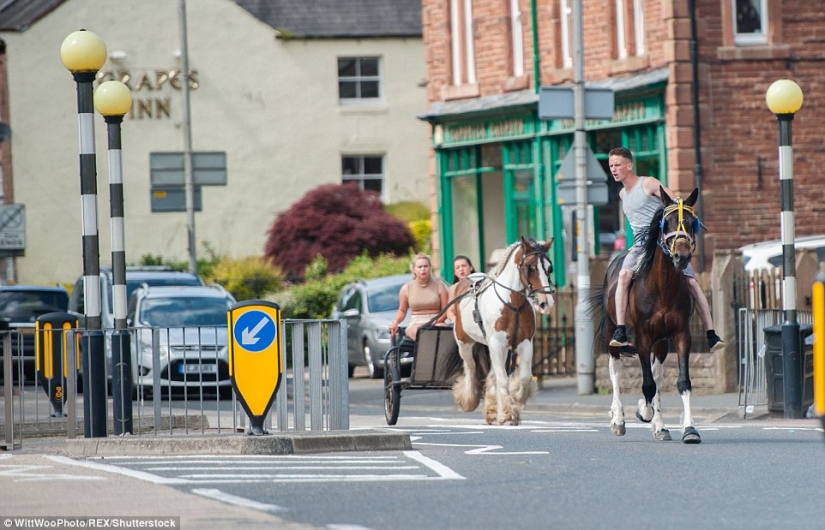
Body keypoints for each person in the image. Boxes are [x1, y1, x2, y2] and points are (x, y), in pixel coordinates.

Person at [606, 146, 725, 352]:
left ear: (629, 165)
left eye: (617, 165)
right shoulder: (623, 194)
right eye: (611, 166)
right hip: (641, 244)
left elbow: (674, 201)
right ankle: (621, 330)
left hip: (663, 242)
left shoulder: (648, 183)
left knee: (692, 283)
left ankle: (711, 334)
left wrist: (686, 213)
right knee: (624, 275)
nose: (613, 169)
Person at [388, 253, 449, 341]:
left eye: (425, 266)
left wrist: (437, 321)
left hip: (436, 321)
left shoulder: (440, 286)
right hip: (416, 322)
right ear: (414, 269)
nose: (423, 269)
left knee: (443, 332)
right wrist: (396, 322)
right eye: (419, 267)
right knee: (420, 332)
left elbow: (445, 310)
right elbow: (402, 310)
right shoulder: (406, 288)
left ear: (430, 268)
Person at [446, 255, 476, 324]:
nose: (461, 269)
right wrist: (456, 321)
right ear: (455, 273)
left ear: (471, 268)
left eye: (464, 266)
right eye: (457, 267)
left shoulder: (479, 283)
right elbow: (450, 311)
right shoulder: (453, 288)